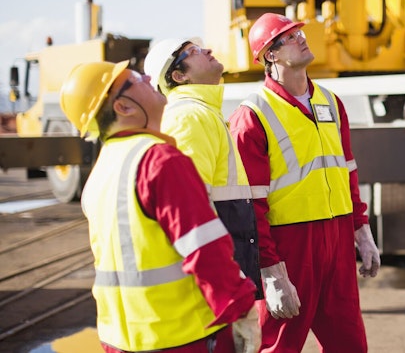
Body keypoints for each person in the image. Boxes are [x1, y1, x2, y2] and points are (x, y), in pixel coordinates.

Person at [59, 61, 260, 353]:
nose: (150, 77)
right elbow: (205, 248)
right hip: (183, 336)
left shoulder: (101, 171)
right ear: (123, 107)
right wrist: (241, 309)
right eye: (137, 78)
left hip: (120, 339)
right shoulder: (158, 161)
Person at [228, 13, 381, 353]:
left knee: (351, 346)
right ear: (271, 54)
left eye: (299, 31)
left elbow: (347, 170)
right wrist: (269, 268)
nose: (301, 38)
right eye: (289, 36)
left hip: (338, 240)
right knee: (279, 348)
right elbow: (249, 203)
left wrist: (361, 229)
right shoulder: (252, 115)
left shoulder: (330, 101)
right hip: (289, 247)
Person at [144, 38, 262, 299]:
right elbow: (192, 211)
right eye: (193, 51)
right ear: (178, 75)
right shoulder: (189, 117)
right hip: (215, 282)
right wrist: (228, 281)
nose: (207, 50)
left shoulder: (203, 113)